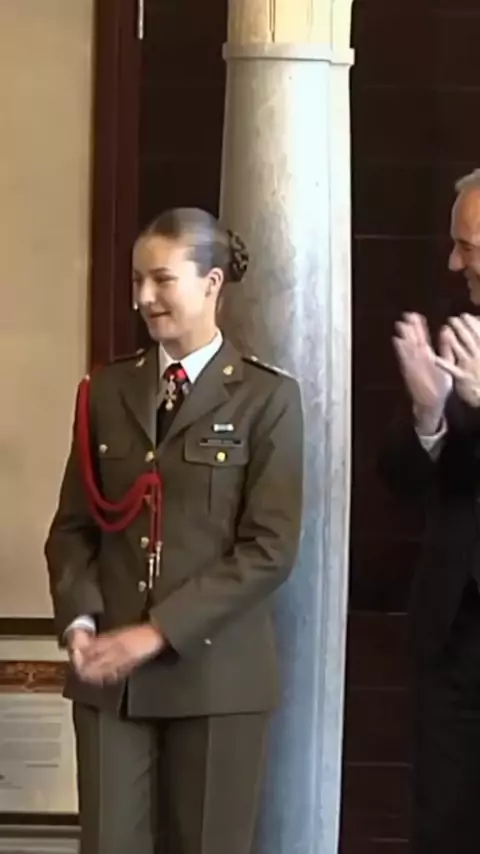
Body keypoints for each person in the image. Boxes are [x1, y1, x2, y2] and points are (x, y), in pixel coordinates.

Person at [45, 208, 304, 854]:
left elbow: (270, 549)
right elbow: (73, 528)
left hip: (216, 677)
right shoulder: (106, 390)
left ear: (212, 283)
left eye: (162, 279)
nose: (144, 297)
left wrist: (157, 632)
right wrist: (80, 622)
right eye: (137, 280)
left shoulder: (266, 399)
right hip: (112, 682)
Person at [379, 169, 480, 854]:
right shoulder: (455, 329)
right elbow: (400, 479)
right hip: (455, 633)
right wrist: (427, 416)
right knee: (443, 825)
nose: (453, 262)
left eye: (467, 246)